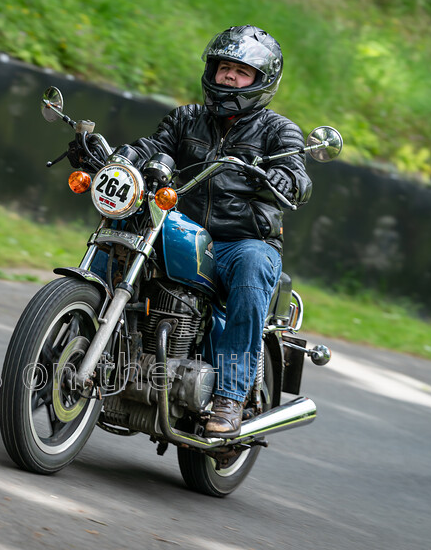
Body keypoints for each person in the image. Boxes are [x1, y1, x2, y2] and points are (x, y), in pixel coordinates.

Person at [126, 25, 312, 437]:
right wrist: (124, 155)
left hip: (240, 242)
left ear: (261, 82)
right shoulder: (185, 118)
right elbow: (155, 147)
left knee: (252, 265)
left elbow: (298, 173)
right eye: (224, 67)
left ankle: (229, 397)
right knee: (125, 231)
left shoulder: (278, 131)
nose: (229, 76)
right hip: (179, 230)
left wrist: (284, 177)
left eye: (241, 72)